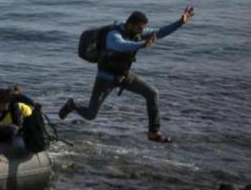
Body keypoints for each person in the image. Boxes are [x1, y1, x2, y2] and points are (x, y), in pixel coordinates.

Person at [59, 7, 195, 143]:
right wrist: (142, 44)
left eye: (143, 29)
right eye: (139, 28)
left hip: (124, 76)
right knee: (90, 115)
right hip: (106, 78)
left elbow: (159, 32)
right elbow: (122, 45)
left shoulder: (136, 32)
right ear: (130, 25)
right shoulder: (113, 35)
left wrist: (180, 22)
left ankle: (153, 132)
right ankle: (73, 105)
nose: (142, 31)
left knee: (152, 93)